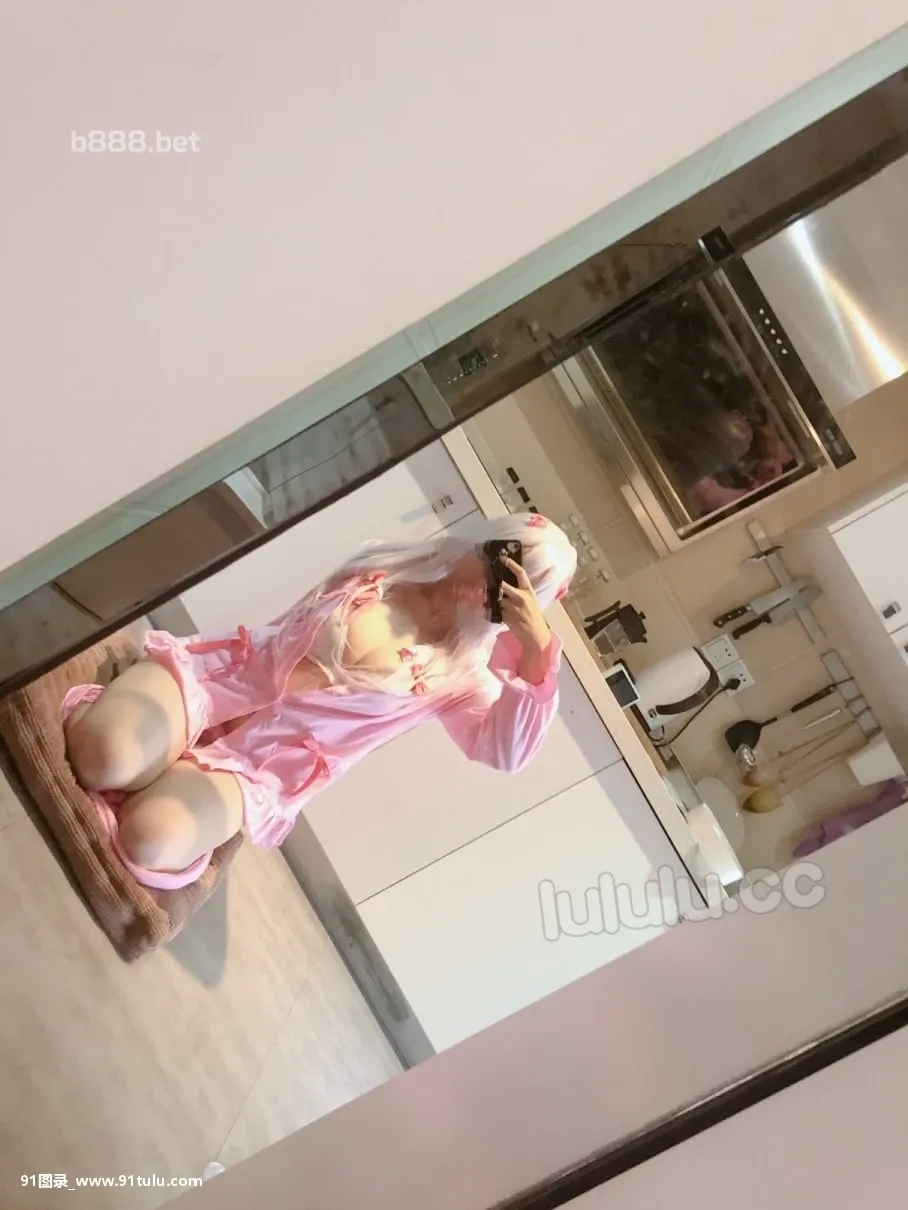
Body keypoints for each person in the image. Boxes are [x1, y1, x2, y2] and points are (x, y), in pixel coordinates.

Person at [63, 512, 577, 889]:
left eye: (511, 591)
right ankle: (145, 749)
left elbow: (505, 752)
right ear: (485, 541)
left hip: (259, 767)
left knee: (149, 839)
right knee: (101, 757)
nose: (487, 587)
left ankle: (172, 781)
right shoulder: (385, 567)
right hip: (217, 682)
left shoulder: (462, 677)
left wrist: (535, 652)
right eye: (500, 563)